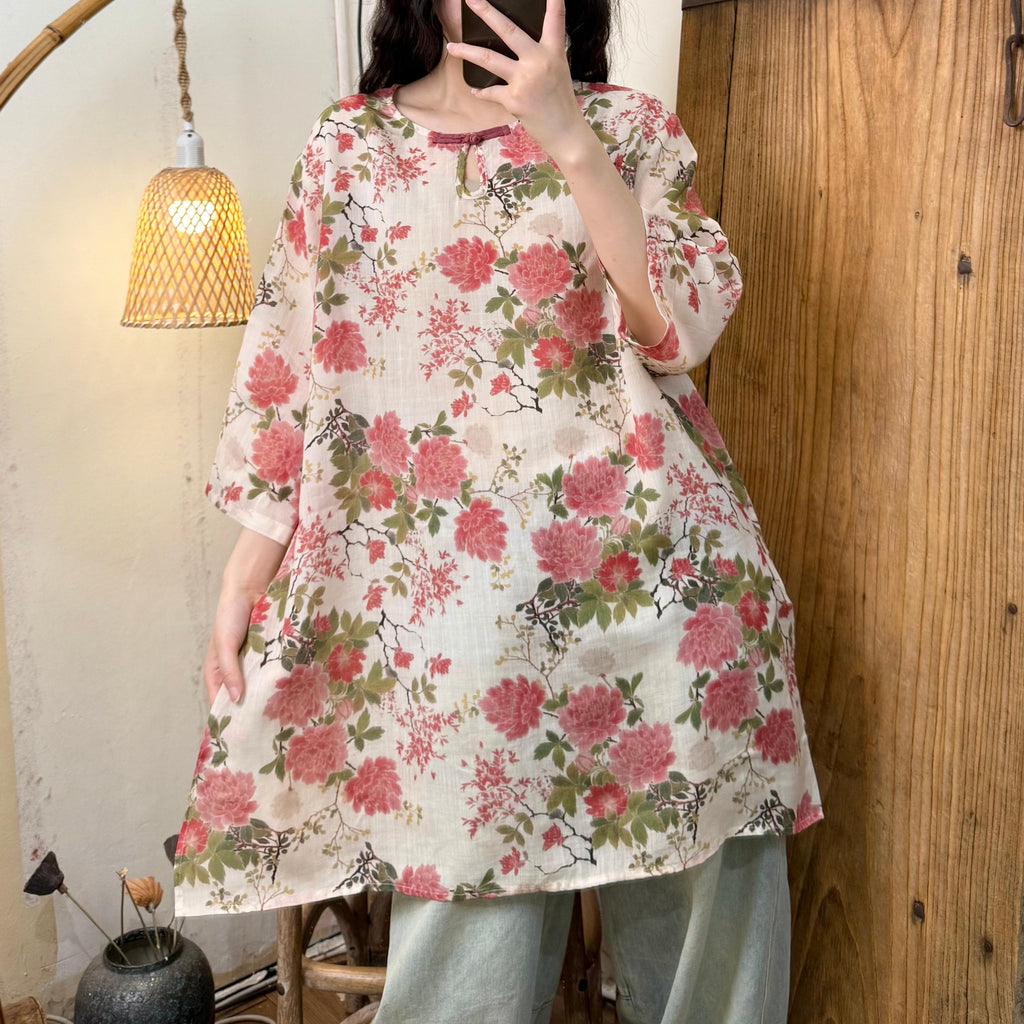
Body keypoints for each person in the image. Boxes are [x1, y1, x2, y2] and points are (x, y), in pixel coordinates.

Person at [174, 0, 822, 1020]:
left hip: (660, 578)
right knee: (467, 913)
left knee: (716, 888)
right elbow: (289, 363)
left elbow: (680, 326)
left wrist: (570, 137)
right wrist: (247, 568)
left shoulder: (629, 126)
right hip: (452, 619)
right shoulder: (349, 146)